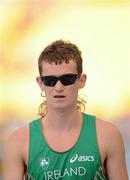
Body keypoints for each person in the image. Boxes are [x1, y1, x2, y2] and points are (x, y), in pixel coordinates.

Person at [4, 40, 128, 180]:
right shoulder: (18, 141)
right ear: (40, 83)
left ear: (81, 80)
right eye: (50, 80)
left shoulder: (108, 135)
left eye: (67, 79)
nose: (58, 87)